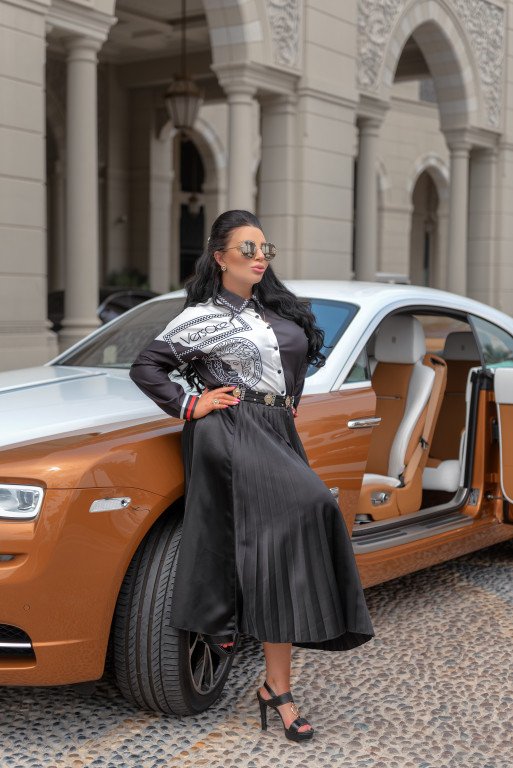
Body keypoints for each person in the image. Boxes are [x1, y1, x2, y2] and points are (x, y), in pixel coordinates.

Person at [129, 209, 375, 743]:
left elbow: (292, 373)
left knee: (280, 556)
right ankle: (236, 629)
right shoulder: (199, 317)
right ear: (220, 257)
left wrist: (283, 410)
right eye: (248, 248)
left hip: (275, 428)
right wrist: (190, 405)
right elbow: (146, 366)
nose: (260, 256)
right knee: (314, 505)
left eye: (265, 248)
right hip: (232, 430)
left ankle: (276, 689)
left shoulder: (275, 310)